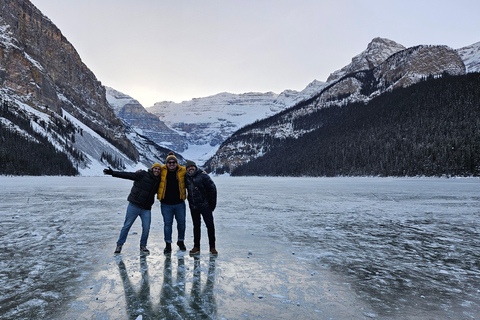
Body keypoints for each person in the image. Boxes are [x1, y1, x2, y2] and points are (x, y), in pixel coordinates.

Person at [104, 163, 162, 255]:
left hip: (146, 208)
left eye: (159, 169)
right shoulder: (142, 174)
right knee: (127, 226)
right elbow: (128, 175)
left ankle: (143, 246)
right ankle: (119, 245)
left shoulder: (159, 180)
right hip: (134, 205)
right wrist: (113, 173)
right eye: (156, 168)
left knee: (146, 228)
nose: (157, 170)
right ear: (152, 168)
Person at [184, 160, 218, 255]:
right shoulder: (186, 177)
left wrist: (212, 204)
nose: (190, 169)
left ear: (195, 167)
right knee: (196, 226)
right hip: (194, 206)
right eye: (188, 167)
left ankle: (212, 247)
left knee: (210, 226)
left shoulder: (203, 176)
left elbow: (213, 189)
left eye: (192, 167)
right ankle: (196, 246)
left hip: (205, 205)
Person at [157, 152, 187, 254]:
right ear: (166, 163)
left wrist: (202, 172)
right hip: (166, 204)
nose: (171, 164)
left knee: (182, 223)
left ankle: (180, 241)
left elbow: (193, 170)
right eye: (169, 162)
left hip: (179, 203)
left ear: (176, 163)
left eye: (173, 162)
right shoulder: (162, 170)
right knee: (168, 224)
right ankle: (168, 244)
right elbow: (153, 172)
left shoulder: (182, 170)